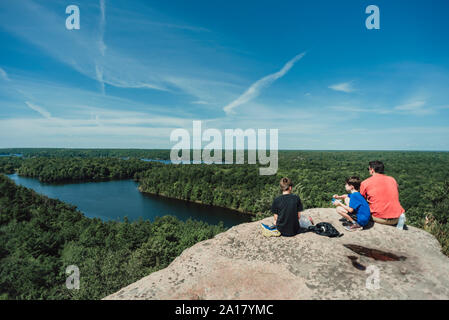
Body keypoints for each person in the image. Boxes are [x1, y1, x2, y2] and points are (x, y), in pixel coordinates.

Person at [360, 160, 405, 225]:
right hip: (397, 218)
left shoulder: (365, 183)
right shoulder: (392, 180)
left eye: (368, 169)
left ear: (372, 169)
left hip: (379, 218)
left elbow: (361, 202)